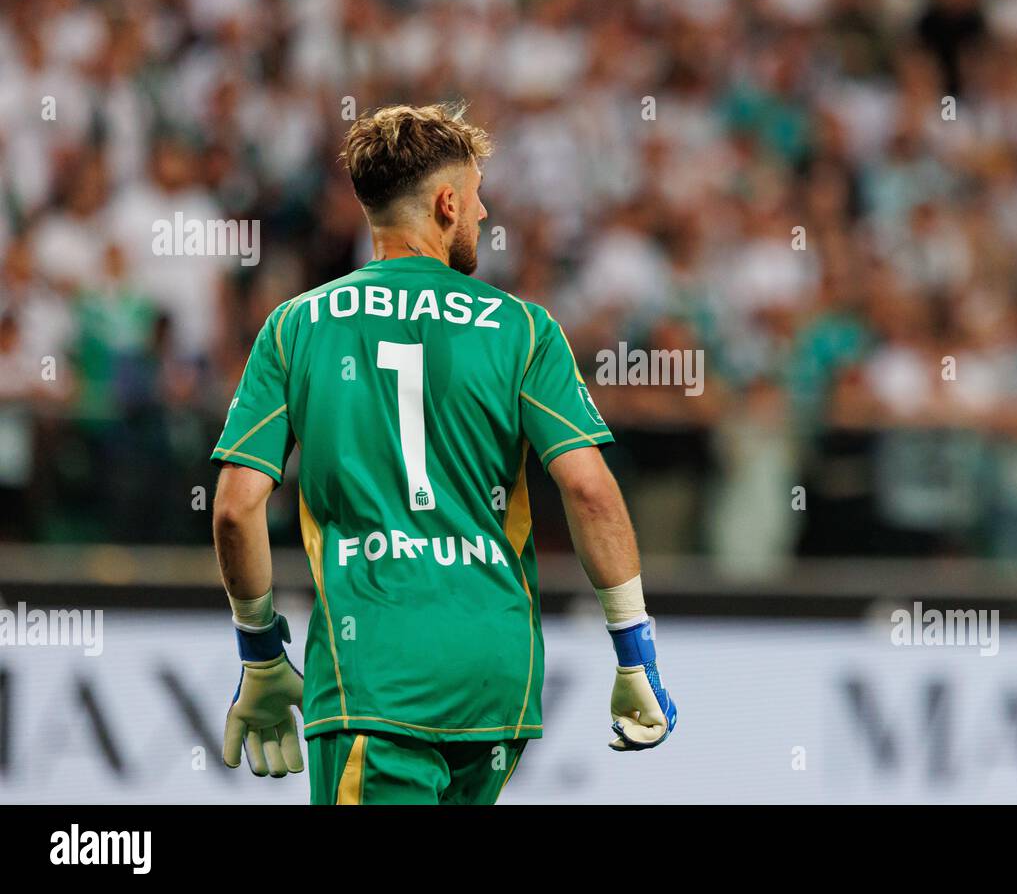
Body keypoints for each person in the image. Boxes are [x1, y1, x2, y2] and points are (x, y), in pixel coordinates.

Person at [209, 102, 676, 804]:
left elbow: (236, 509)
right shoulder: (523, 329)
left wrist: (260, 654)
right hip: (497, 678)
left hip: (377, 671)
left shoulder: (295, 327)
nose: (485, 214)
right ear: (448, 203)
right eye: (479, 196)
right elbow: (589, 490)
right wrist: (634, 653)